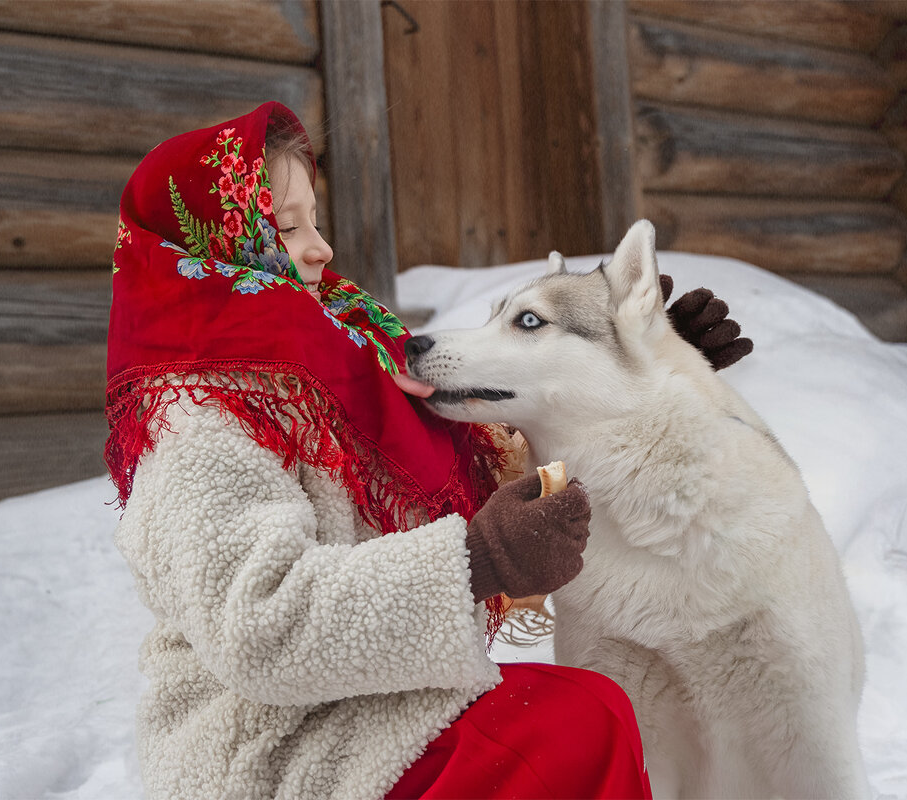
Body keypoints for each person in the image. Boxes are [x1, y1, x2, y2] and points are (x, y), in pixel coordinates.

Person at [107, 101, 748, 799]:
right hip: (269, 746)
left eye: (314, 220)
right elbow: (258, 625)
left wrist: (639, 366)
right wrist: (476, 560)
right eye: (286, 228)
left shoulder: (338, 360)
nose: (319, 247)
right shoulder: (196, 417)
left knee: (593, 711)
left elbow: (487, 463)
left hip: (367, 709)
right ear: (215, 241)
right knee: (568, 728)